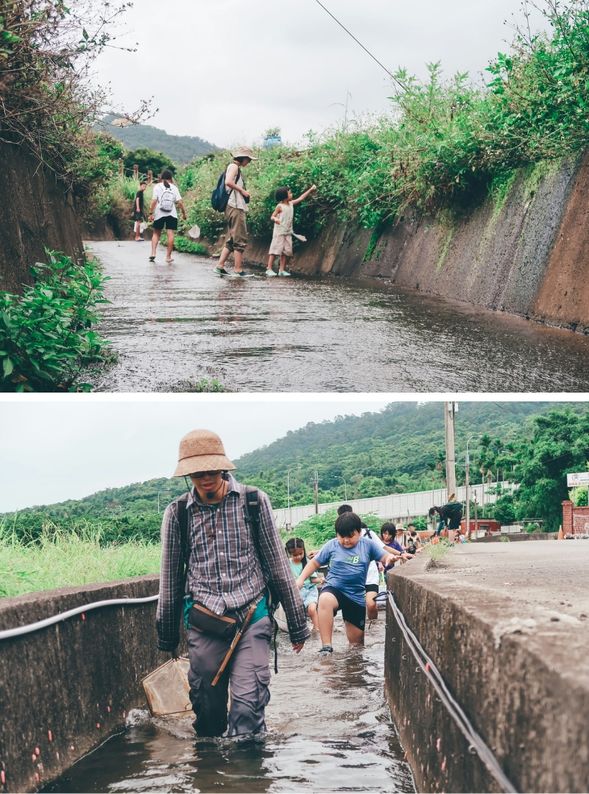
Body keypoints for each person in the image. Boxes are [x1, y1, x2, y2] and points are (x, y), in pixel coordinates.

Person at [156, 429, 309, 737]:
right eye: (197, 473)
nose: (205, 478)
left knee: (247, 705)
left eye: (210, 470)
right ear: (188, 475)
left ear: (222, 467)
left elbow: (278, 565)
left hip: (251, 613)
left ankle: (247, 776)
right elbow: (170, 580)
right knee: (207, 709)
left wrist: (297, 623)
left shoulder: (253, 502)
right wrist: (167, 637)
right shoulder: (177, 514)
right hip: (205, 618)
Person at [295, 511, 397, 653]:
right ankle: (326, 647)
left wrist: (389, 558)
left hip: (355, 596)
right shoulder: (332, 545)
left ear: (359, 532)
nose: (346, 540)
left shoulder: (368, 545)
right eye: (341, 536)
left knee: (356, 647)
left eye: (350, 536)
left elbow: (385, 556)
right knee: (324, 599)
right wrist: (300, 580)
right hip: (334, 589)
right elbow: (314, 563)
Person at [215, 147, 256, 277]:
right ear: (243, 158)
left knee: (232, 239)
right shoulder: (234, 167)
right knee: (239, 238)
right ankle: (238, 270)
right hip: (235, 206)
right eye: (248, 159)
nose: (248, 162)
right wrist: (242, 191)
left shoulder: (233, 167)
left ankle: (220, 266)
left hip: (232, 206)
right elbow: (228, 182)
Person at [266, 184, 316, 277]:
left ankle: (281, 270)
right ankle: (269, 268)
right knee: (275, 250)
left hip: (288, 232)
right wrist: (275, 219)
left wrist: (310, 190)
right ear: (284, 196)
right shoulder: (280, 206)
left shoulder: (291, 204)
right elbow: (272, 216)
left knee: (286, 251)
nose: (291, 194)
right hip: (279, 232)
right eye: (290, 193)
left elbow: (301, 198)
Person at [148, 170, 187, 264]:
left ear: (161, 178)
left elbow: (154, 201)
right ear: (171, 178)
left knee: (156, 233)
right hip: (172, 213)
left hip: (159, 213)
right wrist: (184, 213)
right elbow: (180, 202)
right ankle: (168, 257)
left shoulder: (157, 186)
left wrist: (150, 213)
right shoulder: (174, 188)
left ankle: (153, 253)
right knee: (170, 233)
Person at [285, 537, 320, 630]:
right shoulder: (287, 564)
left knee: (312, 609)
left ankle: (316, 628)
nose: (299, 556)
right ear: (289, 554)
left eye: (301, 553)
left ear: (304, 551)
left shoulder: (308, 563)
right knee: (297, 612)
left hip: (309, 590)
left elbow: (312, 579)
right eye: (295, 555)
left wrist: (321, 580)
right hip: (296, 592)